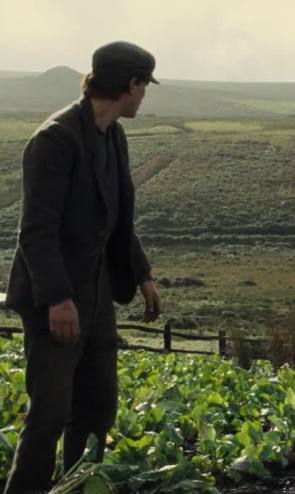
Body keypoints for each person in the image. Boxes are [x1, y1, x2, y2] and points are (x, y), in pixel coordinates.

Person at [4, 41, 162, 494]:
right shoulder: (55, 139)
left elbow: (117, 219)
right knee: (49, 415)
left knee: (97, 410)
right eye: (144, 85)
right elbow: (36, 232)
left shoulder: (114, 136)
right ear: (130, 84)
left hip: (96, 293)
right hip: (55, 300)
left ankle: (76, 488)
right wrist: (57, 299)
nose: (145, 94)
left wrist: (142, 274)